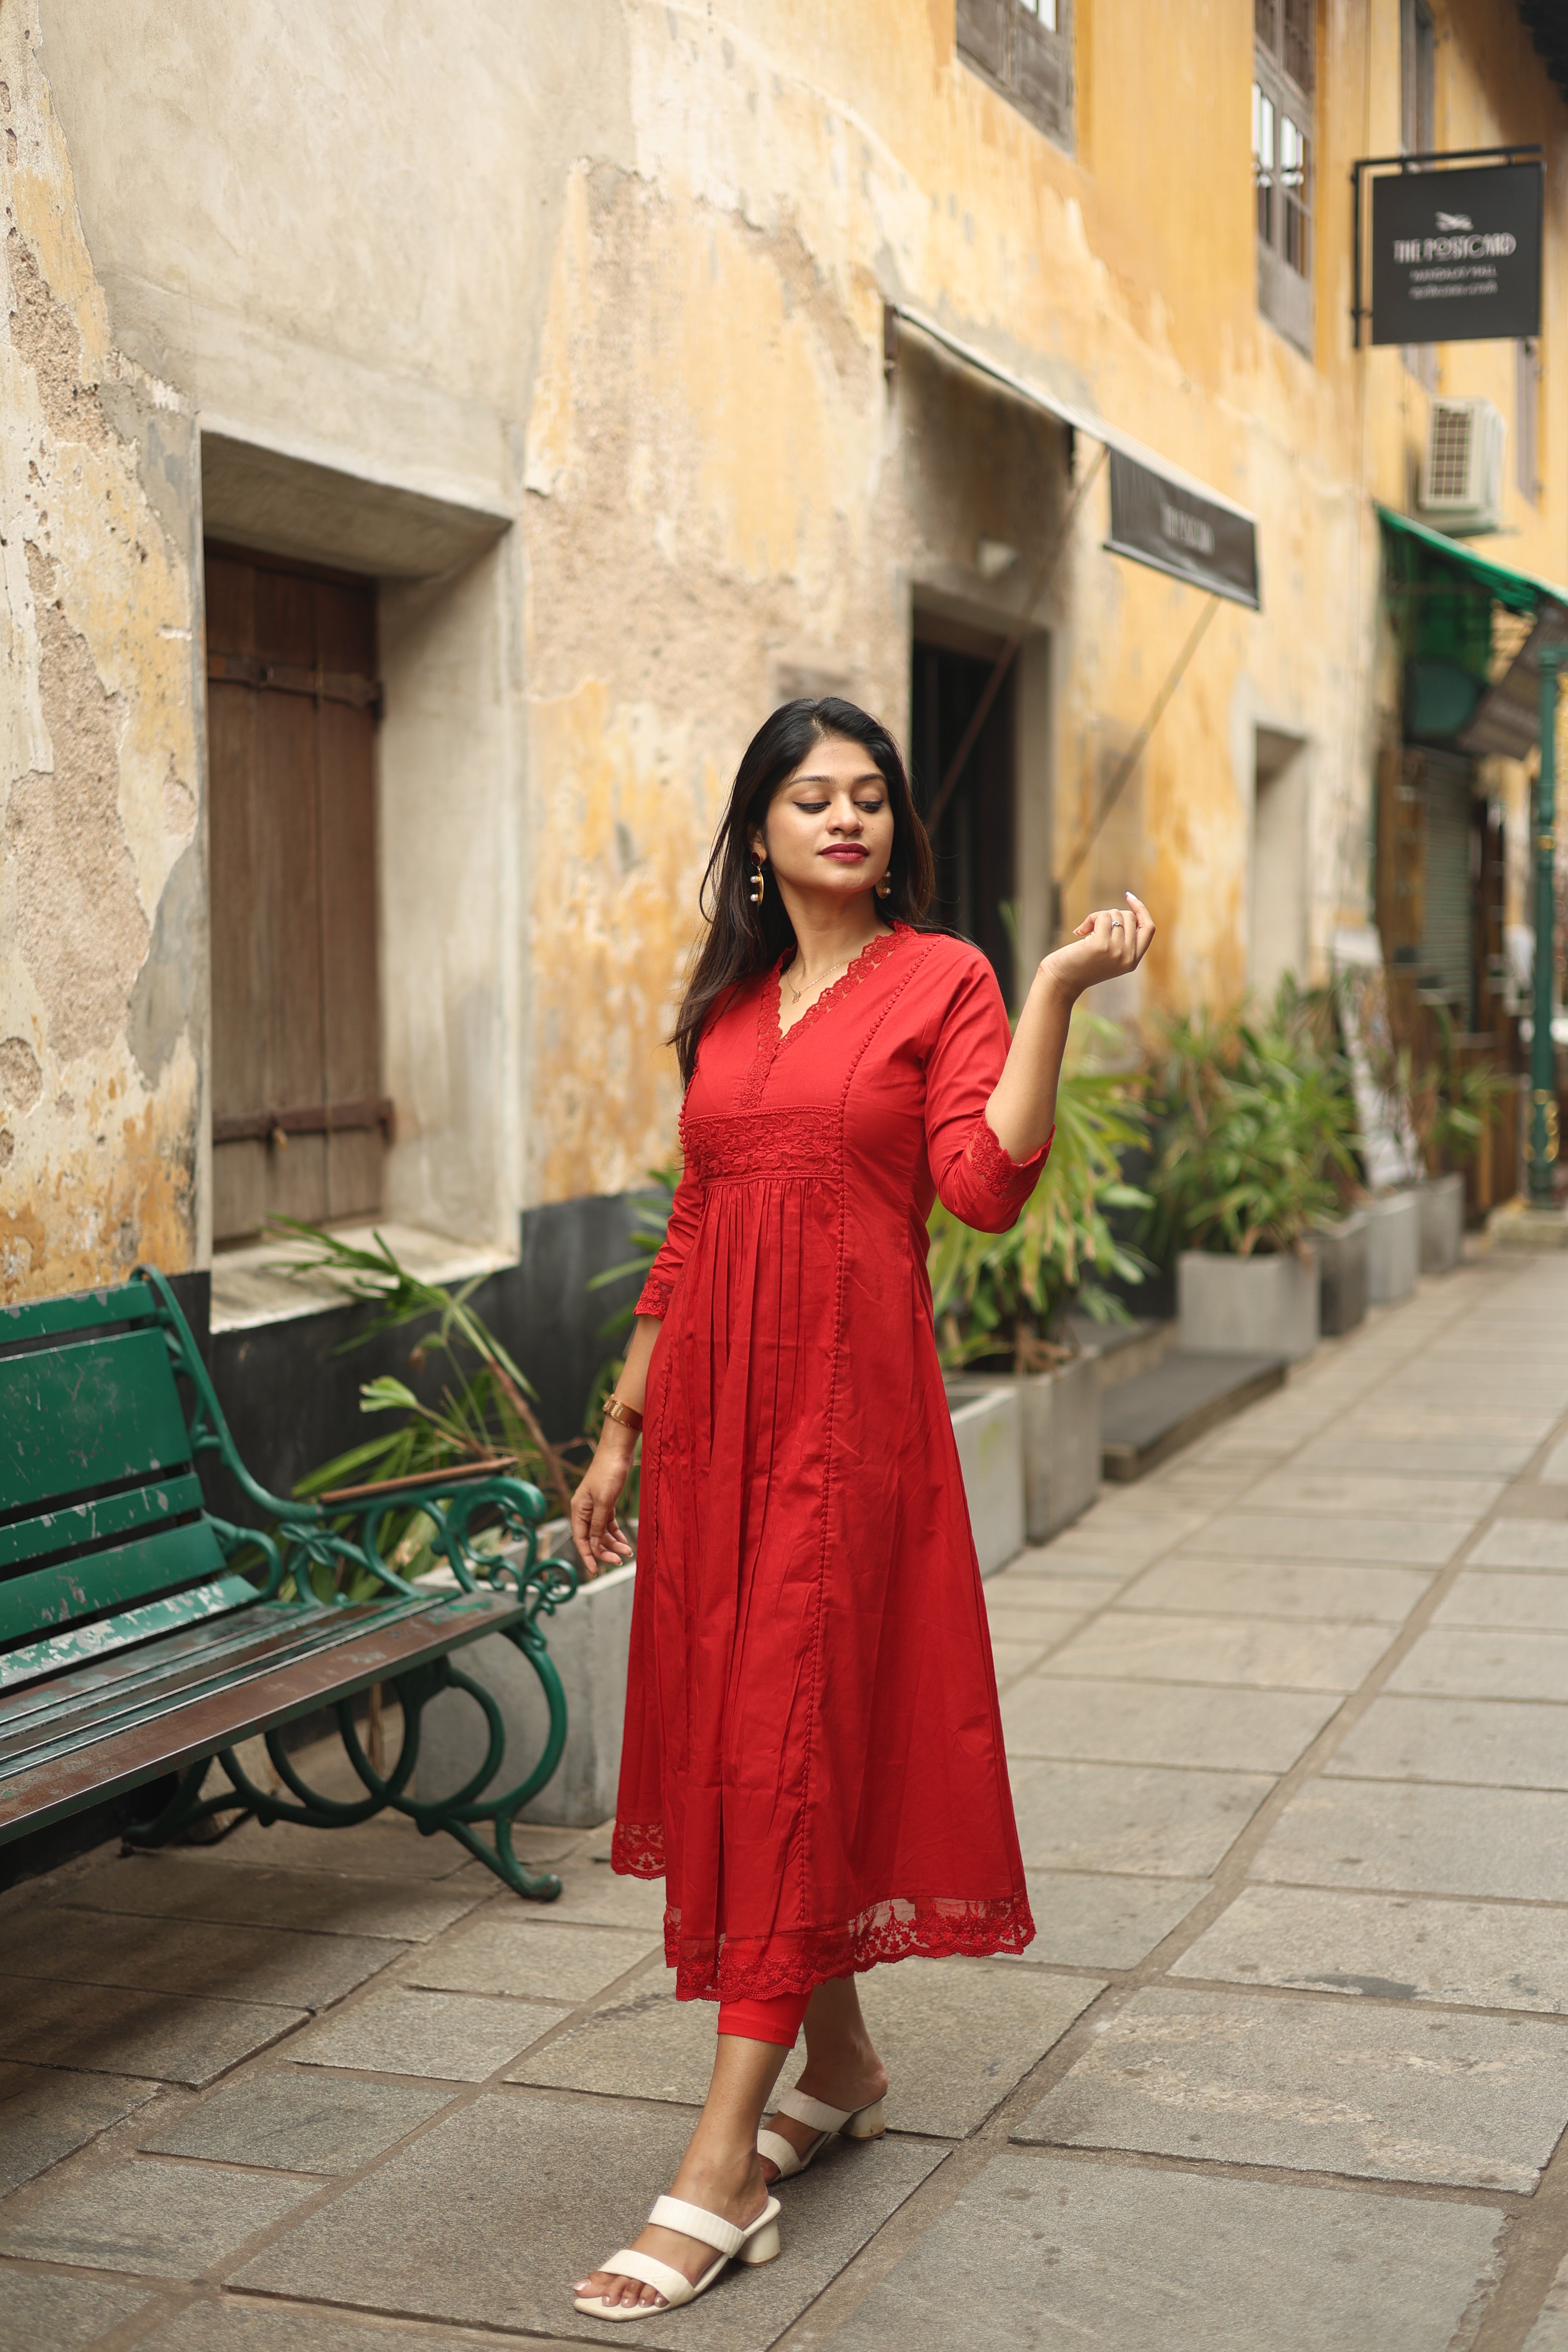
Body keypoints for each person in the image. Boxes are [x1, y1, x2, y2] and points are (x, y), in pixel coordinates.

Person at [568, 697, 1154, 2319]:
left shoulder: (945, 979)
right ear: (756, 832)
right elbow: (692, 1227)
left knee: (781, 1740)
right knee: (764, 1740)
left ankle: (719, 2164)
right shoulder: (730, 1009)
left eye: (871, 798)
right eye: (811, 798)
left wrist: (1045, 993)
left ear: (897, 830)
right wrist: (620, 1427)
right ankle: (840, 2056)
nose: (846, 818)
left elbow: (984, 1182)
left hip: (846, 1422)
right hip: (712, 1429)